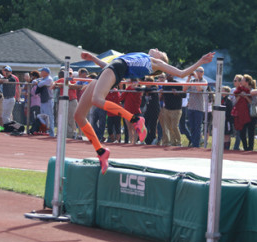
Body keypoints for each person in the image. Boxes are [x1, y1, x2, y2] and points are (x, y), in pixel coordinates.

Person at [74, 49, 215, 174]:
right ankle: (101, 152)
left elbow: (182, 72)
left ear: (160, 59)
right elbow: (107, 67)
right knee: (79, 116)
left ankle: (135, 119)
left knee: (97, 100)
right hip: (110, 70)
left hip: (115, 68)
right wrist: (93, 58)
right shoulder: (139, 58)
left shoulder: (155, 62)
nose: (157, 49)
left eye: (160, 51)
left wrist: (201, 61)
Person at [186, 66, 208, 147]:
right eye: (198, 71)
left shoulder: (204, 81)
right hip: (191, 107)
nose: (199, 72)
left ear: (203, 73)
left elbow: (199, 89)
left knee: (197, 127)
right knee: (192, 126)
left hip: (199, 108)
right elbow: (184, 89)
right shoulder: (191, 81)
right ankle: (193, 142)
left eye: (201, 71)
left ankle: (196, 144)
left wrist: (196, 79)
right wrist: (188, 78)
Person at [161, 74, 186, 146]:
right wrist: (162, 92)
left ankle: (179, 142)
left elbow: (184, 95)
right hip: (167, 109)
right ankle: (173, 142)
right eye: (168, 75)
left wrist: (177, 93)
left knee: (174, 126)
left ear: (173, 76)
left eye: (170, 75)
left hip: (176, 109)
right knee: (169, 127)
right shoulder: (165, 85)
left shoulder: (178, 84)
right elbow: (163, 97)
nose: (169, 76)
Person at [33, 67, 55, 137]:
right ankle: (45, 131)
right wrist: (38, 81)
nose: (40, 73)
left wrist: (38, 82)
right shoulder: (43, 79)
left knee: (49, 117)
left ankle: (51, 133)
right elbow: (34, 81)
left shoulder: (49, 79)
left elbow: (39, 84)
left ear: (46, 72)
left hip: (48, 100)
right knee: (43, 116)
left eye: (42, 71)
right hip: (43, 100)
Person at [120, 79, 143, 144]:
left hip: (135, 111)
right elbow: (121, 98)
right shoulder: (129, 89)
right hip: (128, 111)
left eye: (135, 82)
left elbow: (122, 97)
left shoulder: (138, 90)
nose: (133, 84)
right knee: (130, 128)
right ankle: (132, 141)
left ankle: (134, 142)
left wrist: (129, 86)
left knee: (135, 127)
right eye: (132, 82)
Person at [239, 74, 257, 151]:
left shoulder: (252, 91)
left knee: (251, 131)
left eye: (242, 80)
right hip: (243, 114)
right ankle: (245, 147)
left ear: (246, 82)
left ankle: (250, 148)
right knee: (242, 132)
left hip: (251, 114)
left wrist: (246, 96)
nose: (241, 81)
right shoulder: (241, 90)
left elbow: (255, 102)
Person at [142, 76, 160, 145]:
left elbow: (150, 89)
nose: (145, 83)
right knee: (145, 124)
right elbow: (140, 90)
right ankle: (146, 139)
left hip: (155, 110)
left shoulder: (154, 88)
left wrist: (143, 90)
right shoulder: (145, 89)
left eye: (147, 81)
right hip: (148, 109)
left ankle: (153, 139)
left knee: (153, 125)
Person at [230, 74, 243, 150]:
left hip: (241, 113)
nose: (234, 82)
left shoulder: (244, 90)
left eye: (235, 80)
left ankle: (236, 146)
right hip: (234, 113)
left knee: (239, 131)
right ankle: (235, 146)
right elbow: (233, 102)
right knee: (235, 130)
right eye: (234, 80)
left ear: (240, 82)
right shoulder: (232, 90)